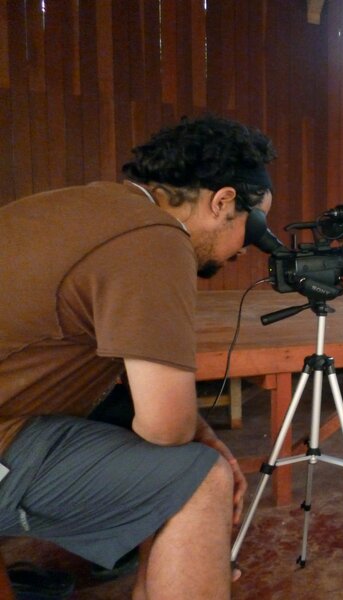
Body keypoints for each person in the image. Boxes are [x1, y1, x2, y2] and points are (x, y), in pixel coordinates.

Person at [0, 115, 277, 599]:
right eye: (254, 228)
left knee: (146, 430)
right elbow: (166, 428)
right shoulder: (156, 239)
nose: (247, 250)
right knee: (198, 482)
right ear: (223, 201)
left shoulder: (91, 205)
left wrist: (203, 432)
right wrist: (203, 448)